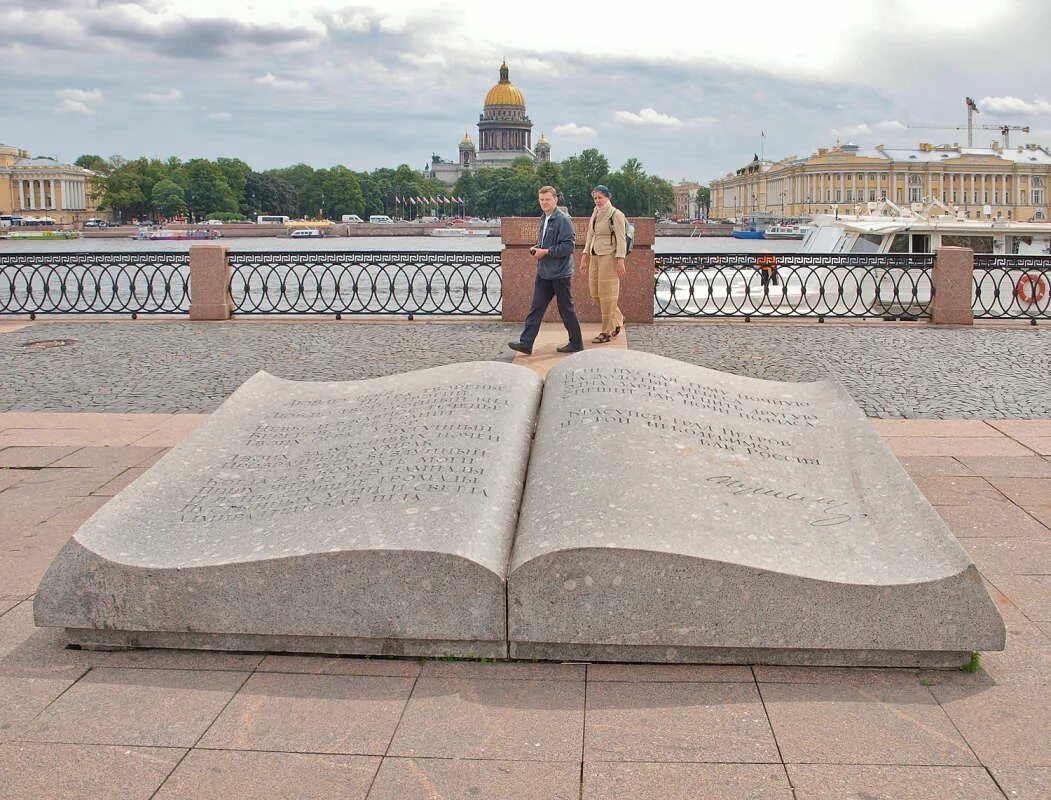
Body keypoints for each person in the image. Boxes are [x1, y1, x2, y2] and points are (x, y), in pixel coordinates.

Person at [508, 186, 583, 355]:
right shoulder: (544, 218)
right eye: (541, 200)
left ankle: (576, 343)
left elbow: (568, 247)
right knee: (536, 307)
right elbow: (546, 241)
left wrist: (546, 252)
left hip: (560, 274)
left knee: (566, 310)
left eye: (547, 199)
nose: (544, 203)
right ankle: (526, 343)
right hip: (544, 272)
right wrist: (537, 247)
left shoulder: (563, 220)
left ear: (555, 200)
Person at [579, 185, 627, 344]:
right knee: (595, 293)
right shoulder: (595, 212)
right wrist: (584, 256)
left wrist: (621, 260)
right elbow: (590, 235)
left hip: (609, 257)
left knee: (608, 296)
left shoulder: (616, 214)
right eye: (595, 198)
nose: (597, 201)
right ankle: (618, 318)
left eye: (600, 197)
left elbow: (621, 239)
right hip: (595, 256)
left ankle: (606, 331)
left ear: (608, 197)